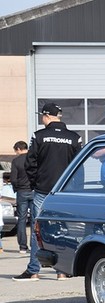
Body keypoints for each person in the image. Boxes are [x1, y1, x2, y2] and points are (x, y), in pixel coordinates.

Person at [13, 103, 82, 282]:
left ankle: (34, 271)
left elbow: (30, 163)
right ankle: (62, 270)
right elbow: (79, 166)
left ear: (46, 116)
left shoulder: (39, 136)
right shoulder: (74, 138)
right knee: (63, 229)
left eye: (42, 116)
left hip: (43, 190)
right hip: (66, 192)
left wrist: (37, 182)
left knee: (38, 229)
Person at [10, 140, 31, 253]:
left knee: (22, 220)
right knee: (35, 219)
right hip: (34, 190)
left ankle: (23, 247)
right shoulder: (34, 158)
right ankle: (36, 245)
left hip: (22, 192)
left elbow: (13, 178)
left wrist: (16, 188)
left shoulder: (16, 161)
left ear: (18, 149)